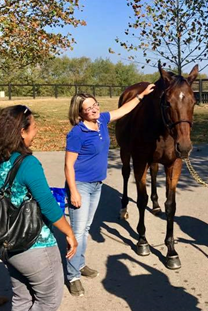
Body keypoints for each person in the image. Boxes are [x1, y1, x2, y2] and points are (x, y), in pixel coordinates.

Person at [0, 105, 78, 311]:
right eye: (34, 127)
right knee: (49, 299)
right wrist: (69, 234)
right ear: (21, 131)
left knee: (22, 297)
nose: (37, 131)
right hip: (34, 246)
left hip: (6, 242)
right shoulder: (28, 164)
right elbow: (47, 205)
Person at [65, 84, 155, 296]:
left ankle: (79, 264)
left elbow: (124, 110)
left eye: (95, 105)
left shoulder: (102, 120)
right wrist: (74, 192)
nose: (94, 109)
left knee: (85, 228)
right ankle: (72, 275)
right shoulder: (77, 133)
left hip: (97, 185)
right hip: (81, 186)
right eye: (89, 108)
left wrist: (141, 96)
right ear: (79, 112)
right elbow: (68, 165)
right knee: (77, 231)